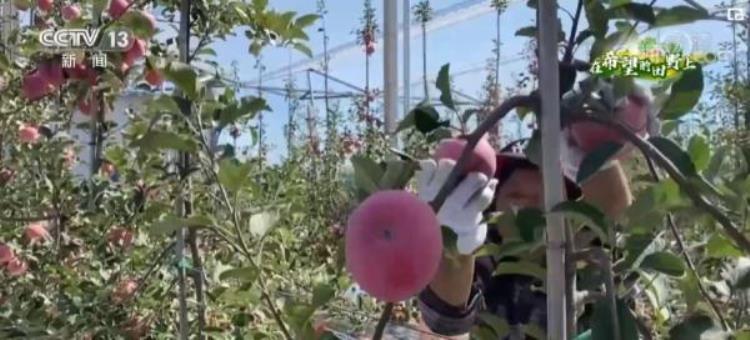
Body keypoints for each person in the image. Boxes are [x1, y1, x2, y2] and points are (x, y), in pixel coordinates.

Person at [414, 91, 656, 339]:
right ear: (493, 205)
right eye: (517, 195)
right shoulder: (484, 258)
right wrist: (453, 246)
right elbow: (445, 321)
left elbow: (614, 215)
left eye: (546, 196)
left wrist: (595, 153)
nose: (531, 205)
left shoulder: (584, 258)